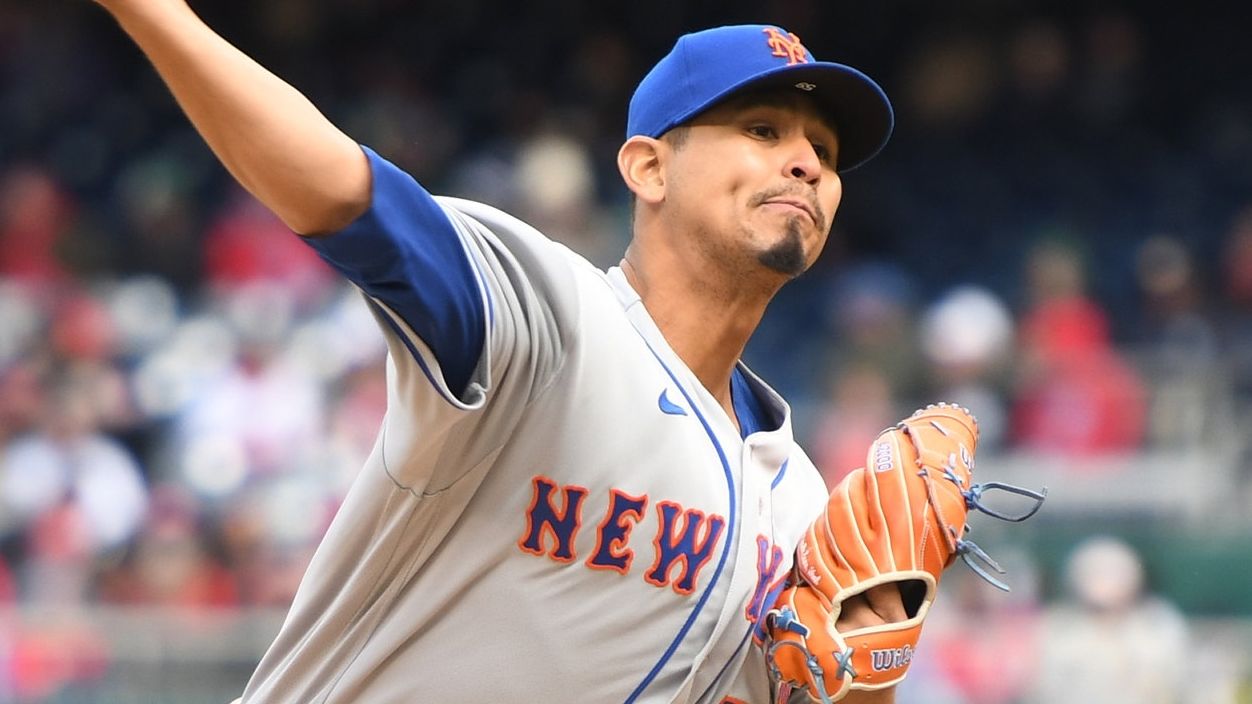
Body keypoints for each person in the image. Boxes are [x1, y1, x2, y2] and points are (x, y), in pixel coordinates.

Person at [91, 1, 901, 701]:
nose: (806, 162)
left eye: (824, 154)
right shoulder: (547, 316)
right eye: (762, 130)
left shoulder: (796, 497)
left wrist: (872, 683)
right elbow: (341, 192)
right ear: (649, 168)